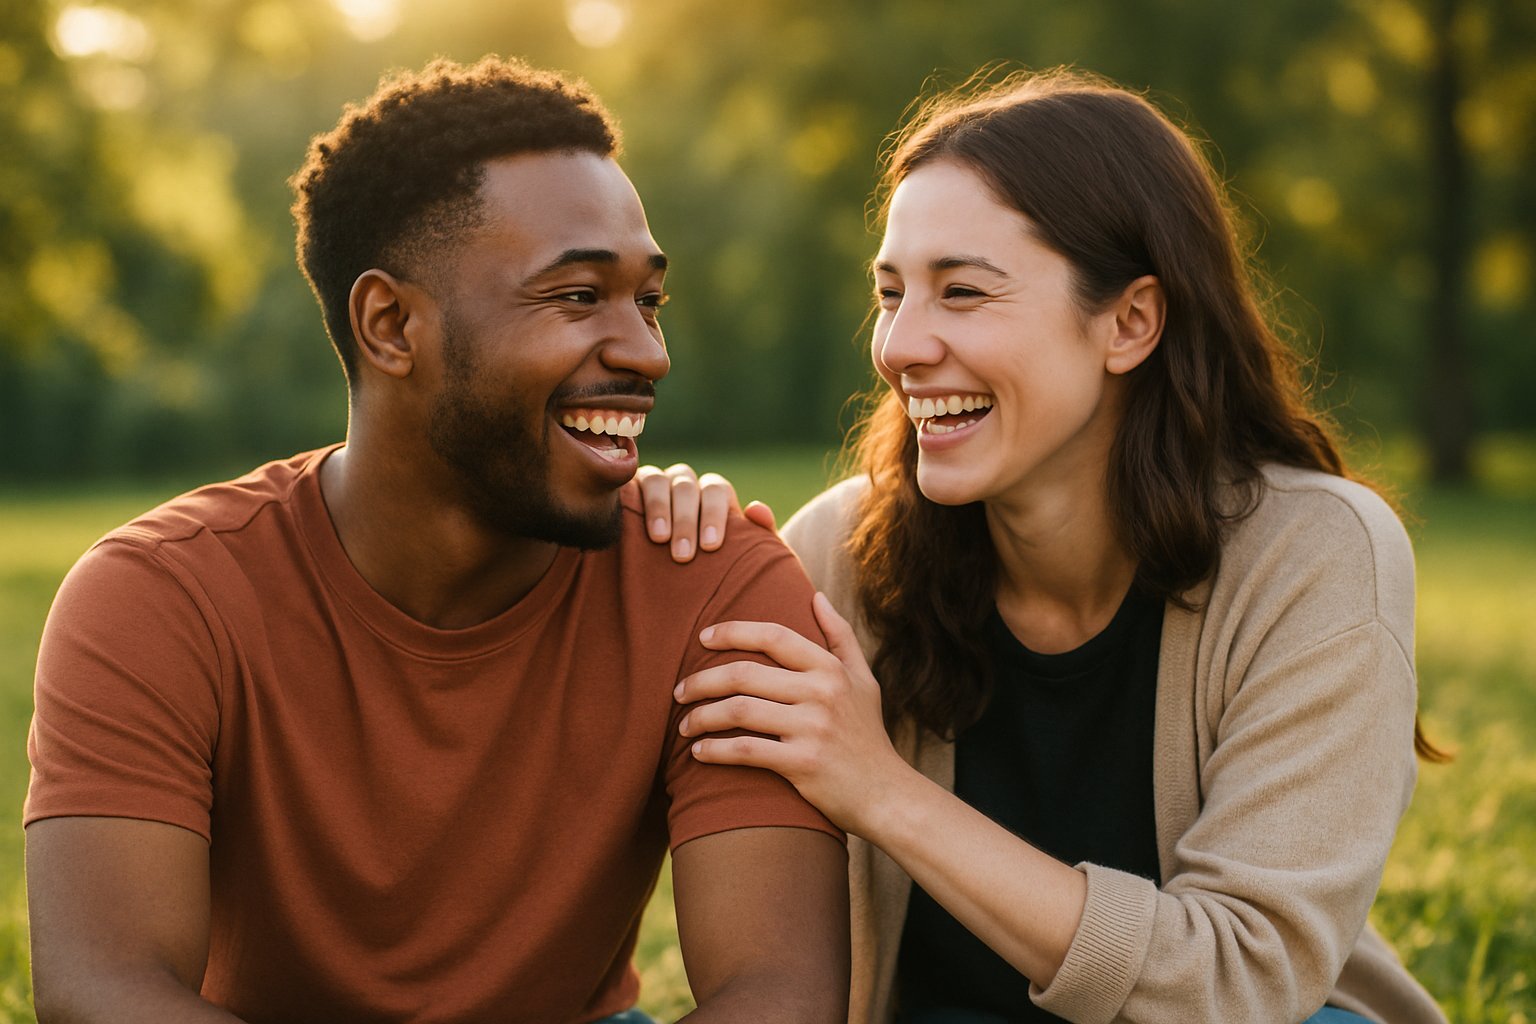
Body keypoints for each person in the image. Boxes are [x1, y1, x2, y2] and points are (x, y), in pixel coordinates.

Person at [23, 57, 850, 1024]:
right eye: (578, 297)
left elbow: (779, 994)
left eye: (648, 301)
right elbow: (104, 992)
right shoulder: (159, 598)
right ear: (390, 325)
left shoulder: (716, 591)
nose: (647, 352)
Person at [644, 69, 1449, 1023]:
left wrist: (883, 791)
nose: (901, 344)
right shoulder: (838, 556)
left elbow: (1244, 983)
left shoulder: (1314, 554)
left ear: (1130, 323)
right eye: (891, 293)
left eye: (964, 292)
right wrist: (653, 534)